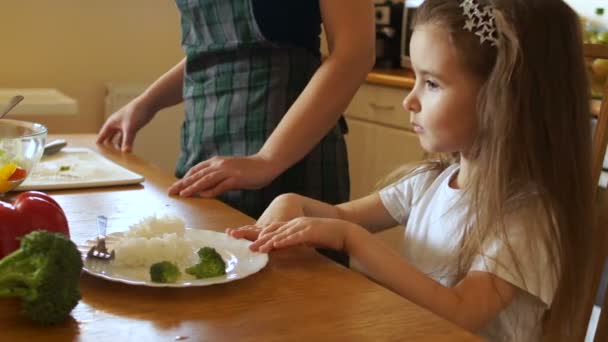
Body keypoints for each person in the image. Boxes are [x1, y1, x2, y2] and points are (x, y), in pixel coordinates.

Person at [227, 0, 595, 340]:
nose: (410, 99)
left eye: (431, 83)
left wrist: (351, 239)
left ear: (504, 99)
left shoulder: (527, 216)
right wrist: (291, 205)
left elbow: (461, 314)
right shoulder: (431, 180)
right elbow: (338, 215)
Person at [97, 0, 375, 218]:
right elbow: (215, 52)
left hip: (289, 154)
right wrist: (146, 104)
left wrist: (267, 160)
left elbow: (354, 54)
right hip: (204, 146)